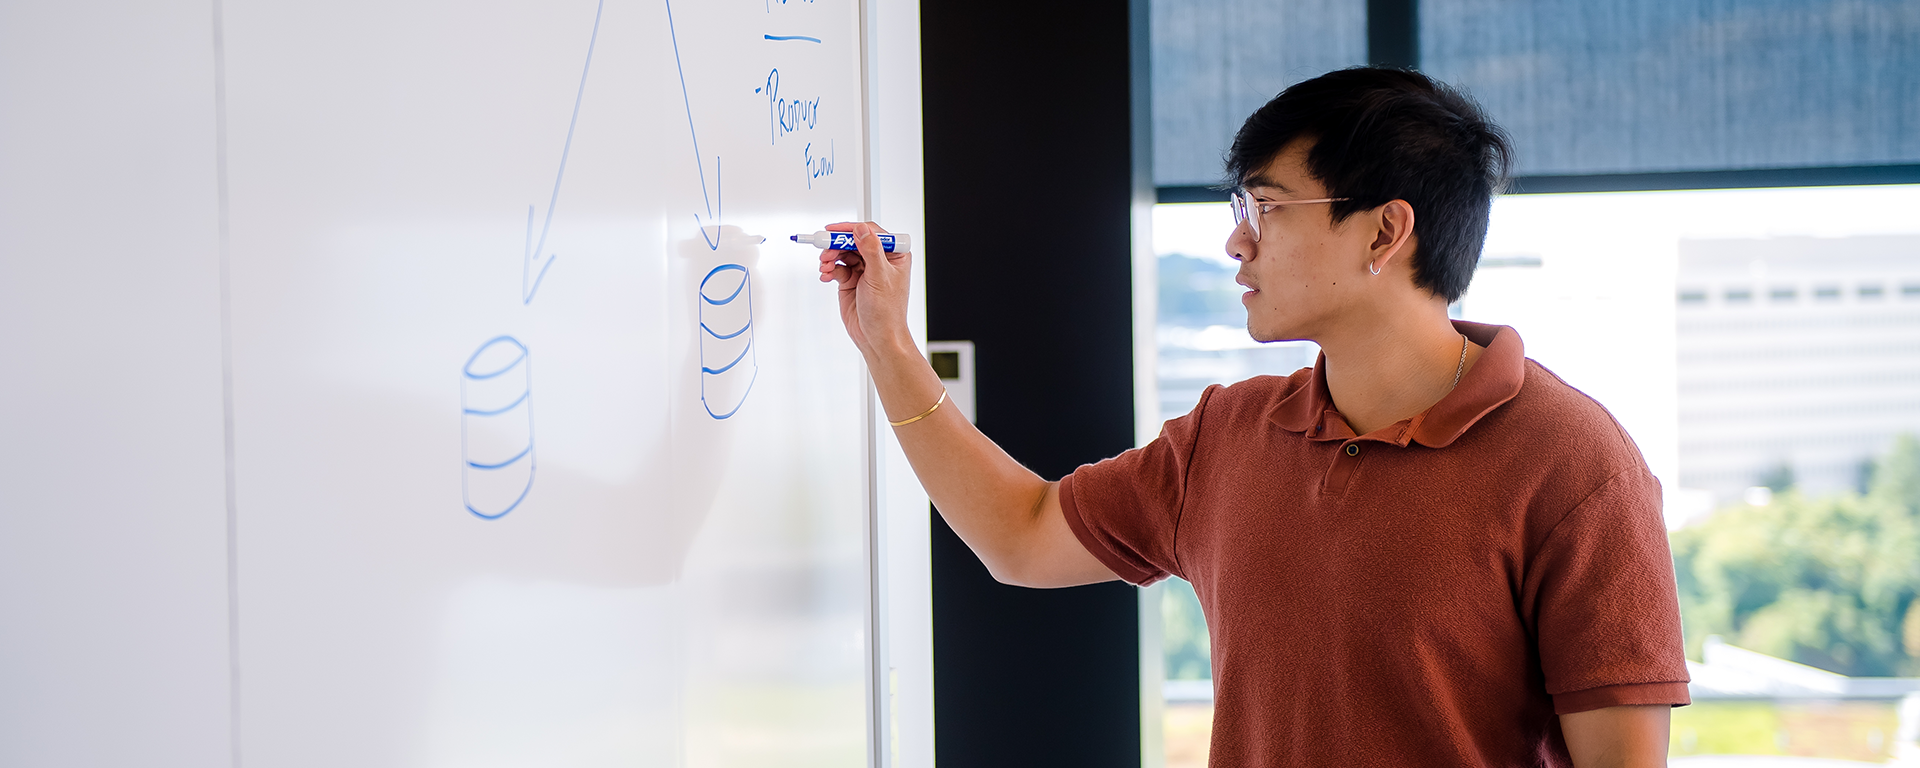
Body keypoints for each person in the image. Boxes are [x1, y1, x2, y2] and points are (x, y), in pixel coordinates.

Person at [817, 67, 1688, 767]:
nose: (1237, 242)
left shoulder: (1576, 463)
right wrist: (889, 348)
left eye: (1266, 208)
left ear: (1386, 233)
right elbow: (1021, 535)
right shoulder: (1228, 435)